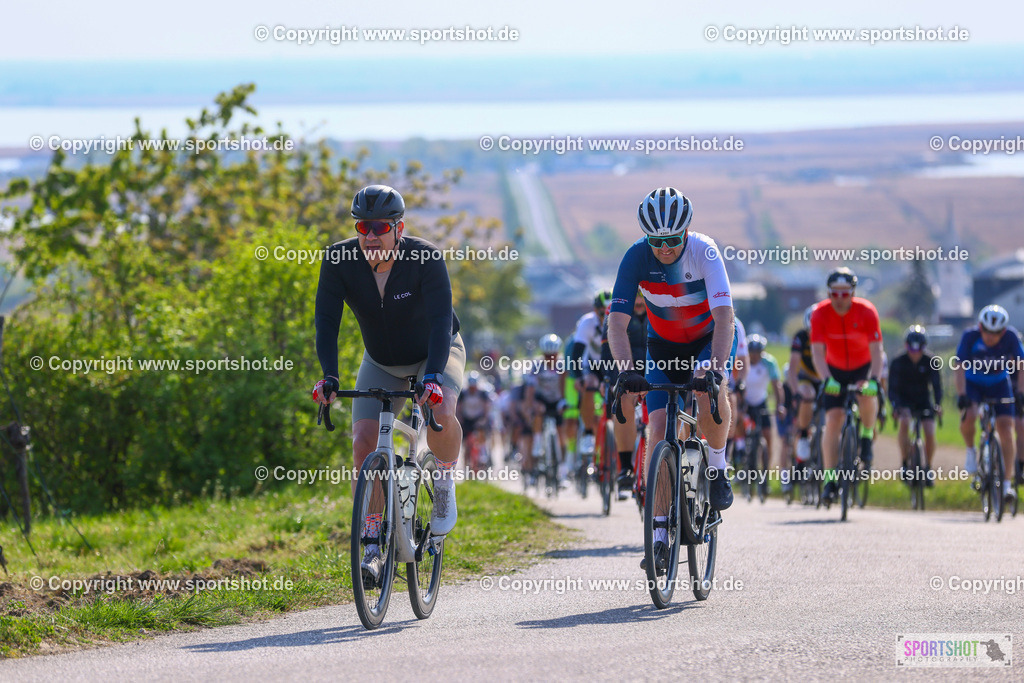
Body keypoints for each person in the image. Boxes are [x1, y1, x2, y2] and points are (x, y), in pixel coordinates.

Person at [312, 184, 466, 586]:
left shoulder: (424, 257)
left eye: (380, 227)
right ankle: (372, 543)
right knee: (364, 444)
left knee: (442, 411)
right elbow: (326, 324)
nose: (370, 236)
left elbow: (438, 323)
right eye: (363, 226)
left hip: (436, 352)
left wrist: (432, 377)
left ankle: (445, 480)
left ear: (399, 228)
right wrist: (330, 375)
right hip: (380, 361)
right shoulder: (339, 260)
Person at [607, 187, 736, 573]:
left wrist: (712, 368)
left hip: (707, 338)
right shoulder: (635, 257)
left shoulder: (705, 251)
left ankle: (716, 467)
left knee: (706, 397)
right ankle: (660, 531)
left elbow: (725, 317)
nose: (664, 248)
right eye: (657, 241)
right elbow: (617, 322)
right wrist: (626, 371)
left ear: (687, 232)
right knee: (659, 427)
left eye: (673, 240)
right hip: (661, 346)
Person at [809, 267, 883, 504]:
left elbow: (877, 352)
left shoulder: (867, 312)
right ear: (829, 293)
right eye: (835, 294)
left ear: (853, 293)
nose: (840, 300)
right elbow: (818, 354)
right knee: (833, 420)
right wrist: (826, 379)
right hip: (835, 371)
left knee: (867, 396)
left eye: (845, 294)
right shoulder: (820, 314)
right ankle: (830, 480)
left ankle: (866, 437)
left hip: (862, 367)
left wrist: (873, 379)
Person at [955, 305, 1024, 504]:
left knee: (1006, 429)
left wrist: (1020, 393)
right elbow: (959, 366)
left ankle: (1007, 485)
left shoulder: (1010, 337)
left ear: (1003, 331)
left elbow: (1021, 365)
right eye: (986, 331)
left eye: (995, 333)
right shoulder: (970, 336)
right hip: (974, 383)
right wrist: (961, 394)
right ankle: (971, 451)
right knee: (970, 415)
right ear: (980, 327)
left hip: (999, 384)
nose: (990, 337)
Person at [599, 291, 649, 498]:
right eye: (635, 296)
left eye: (642, 296)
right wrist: (608, 379)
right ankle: (626, 467)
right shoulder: (615, 310)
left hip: (655, 367)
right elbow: (606, 351)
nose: (638, 301)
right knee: (624, 400)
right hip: (625, 369)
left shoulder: (662, 306)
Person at [889, 326, 943, 486]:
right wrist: (896, 406)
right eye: (910, 348)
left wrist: (938, 405)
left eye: (918, 348)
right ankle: (905, 463)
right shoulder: (898, 362)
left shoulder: (930, 361)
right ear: (906, 346)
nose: (914, 352)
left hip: (923, 400)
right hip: (904, 400)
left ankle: (928, 468)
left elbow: (937, 387)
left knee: (930, 432)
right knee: (904, 422)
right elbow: (892, 389)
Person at [569, 290, 613, 458]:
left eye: (610, 309)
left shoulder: (621, 318)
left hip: (612, 364)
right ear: (596, 311)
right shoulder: (587, 323)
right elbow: (577, 352)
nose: (606, 314)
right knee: (590, 384)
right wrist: (579, 377)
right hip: (592, 365)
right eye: (603, 311)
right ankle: (588, 433)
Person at [742, 334, 785, 498]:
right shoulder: (742, 361)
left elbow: (777, 386)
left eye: (757, 352)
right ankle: (741, 455)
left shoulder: (769, 363)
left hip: (761, 402)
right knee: (741, 428)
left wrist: (780, 405)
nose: (754, 355)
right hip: (746, 403)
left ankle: (765, 476)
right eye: (751, 352)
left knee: (768, 436)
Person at [525, 333, 568, 479]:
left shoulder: (562, 364)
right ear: (543, 354)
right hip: (541, 398)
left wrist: (564, 401)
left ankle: (562, 468)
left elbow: (565, 383)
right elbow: (530, 388)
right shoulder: (537, 365)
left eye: (553, 355)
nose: (551, 358)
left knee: (561, 432)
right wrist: (532, 405)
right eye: (547, 355)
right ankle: (538, 440)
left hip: (557, 398)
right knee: (539, 413)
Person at [788, 306, 821, 467]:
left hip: (825, 377)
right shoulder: (800, 337)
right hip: (806, 377)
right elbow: (792, 369)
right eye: (810, 332)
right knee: (806, 393)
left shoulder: (830, 335)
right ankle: (802, 436)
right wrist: (796, 392)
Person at [457, 371, 494, 470]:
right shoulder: (463, 394)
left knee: (481, 438)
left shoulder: (482, 394)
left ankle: (482, 457)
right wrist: (459, 419)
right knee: (466, 445)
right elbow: (458, 408)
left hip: (479, 419)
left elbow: (487, 408)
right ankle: (466, 468)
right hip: (467, 420)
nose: (472, 389)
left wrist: (484, 420)